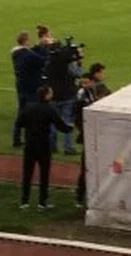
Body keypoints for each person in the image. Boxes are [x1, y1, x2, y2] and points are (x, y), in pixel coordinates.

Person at [16, 85, 71, 210]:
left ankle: (24, 201)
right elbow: (61, 126)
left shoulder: (28, 107)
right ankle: (42, 202)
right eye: (50, 93)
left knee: (27, 173)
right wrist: (71, 127)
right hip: (43, 145)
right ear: (47, 95)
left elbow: (19, 123)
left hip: (30, 144)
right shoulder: (50, 109)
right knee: (44, 174)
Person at [11, 30, 48, 149]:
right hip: (31, 87)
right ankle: (30, 140)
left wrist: (37, 46)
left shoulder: (16, 54)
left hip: (21, 86)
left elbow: (30, 52)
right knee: (31, 115)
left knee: (20, 113)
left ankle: (16, 138)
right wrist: (44, 47)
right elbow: (42, 60)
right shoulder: (28, 55)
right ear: (26, 41)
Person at [74, 67, 101, 208]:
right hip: (88, 134)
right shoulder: (81, 95)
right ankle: (80, 196)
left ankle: (89, 194)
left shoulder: (91, 91)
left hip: (93, 133)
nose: (83, 85)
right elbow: (78, 116)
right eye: (82, 83)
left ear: (91, 82)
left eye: (86, 82)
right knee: (86, 166)